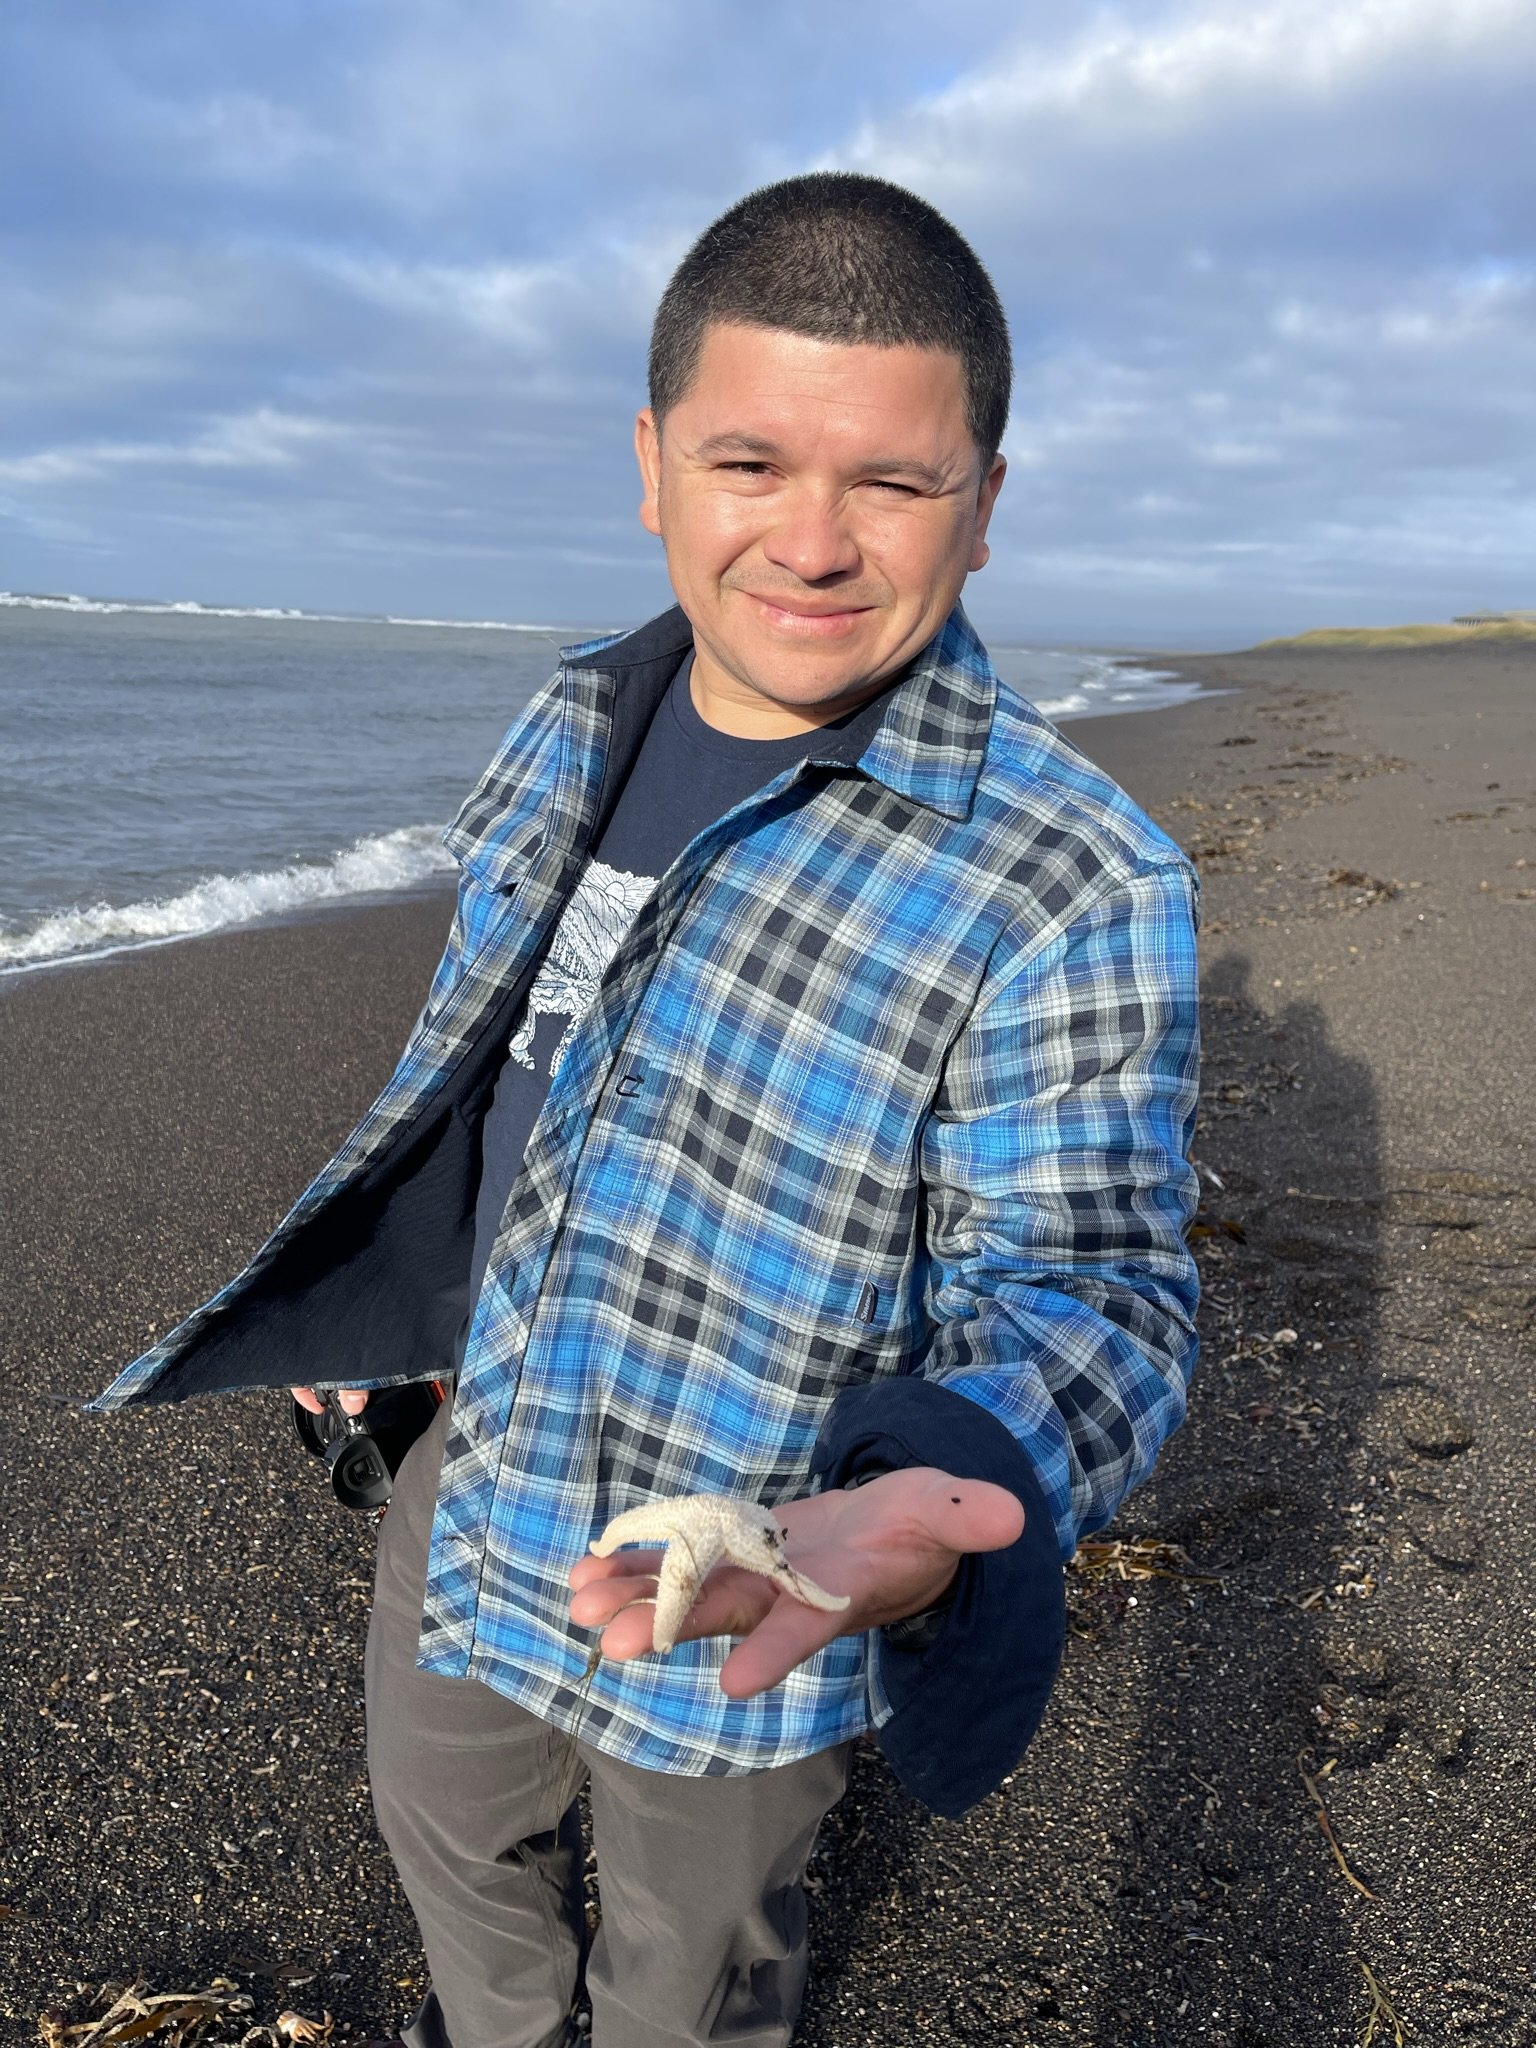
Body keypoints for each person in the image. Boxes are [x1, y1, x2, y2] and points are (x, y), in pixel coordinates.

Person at [89, 173, 1201, 2048]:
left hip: (759, 1533)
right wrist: (386, 1288)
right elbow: (489, 1044)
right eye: (751, 462)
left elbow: (1098, 1289)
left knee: (698, 1975)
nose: (816, 543)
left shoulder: (1073, 873)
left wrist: (957, 1486)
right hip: (480, 1449)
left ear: (986, 505)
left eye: (897, 483)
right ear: (652, 462)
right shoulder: (570, 717)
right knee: (446, 1839)